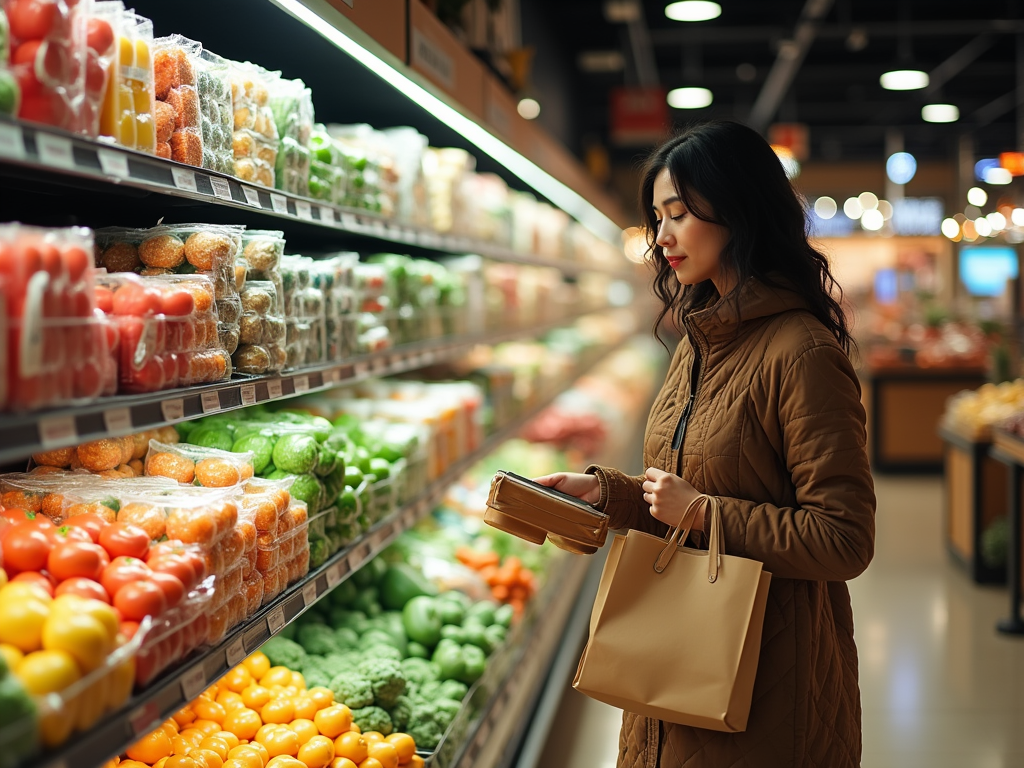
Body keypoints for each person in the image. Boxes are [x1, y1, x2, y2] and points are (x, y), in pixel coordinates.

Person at [535, 120, 876, 768]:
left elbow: (845, 539)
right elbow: (684, 490)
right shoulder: (697, 340)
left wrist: (704, 513)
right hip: (668, 679)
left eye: (680, 214)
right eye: (657, 217)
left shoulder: (802, 352)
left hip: (764, 691)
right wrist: (607, 494)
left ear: (739, 210)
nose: (660, 236)